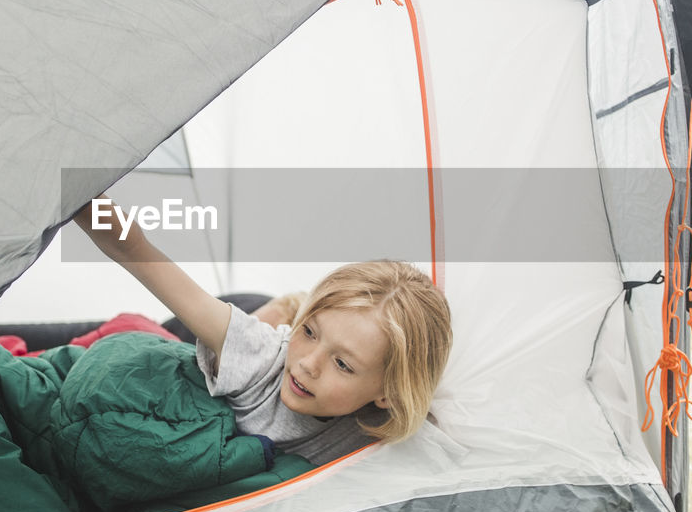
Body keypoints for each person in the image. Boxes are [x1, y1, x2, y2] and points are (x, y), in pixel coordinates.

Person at [74, 198, 453, 465]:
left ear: (388, 394)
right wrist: (78, 191)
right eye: (310, 333)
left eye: (342, 364)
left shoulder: (380, 434)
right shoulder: (260, 355)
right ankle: (286, 308)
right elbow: (136, 251)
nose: (308, 364)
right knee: (128, 335)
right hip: (200, 331)